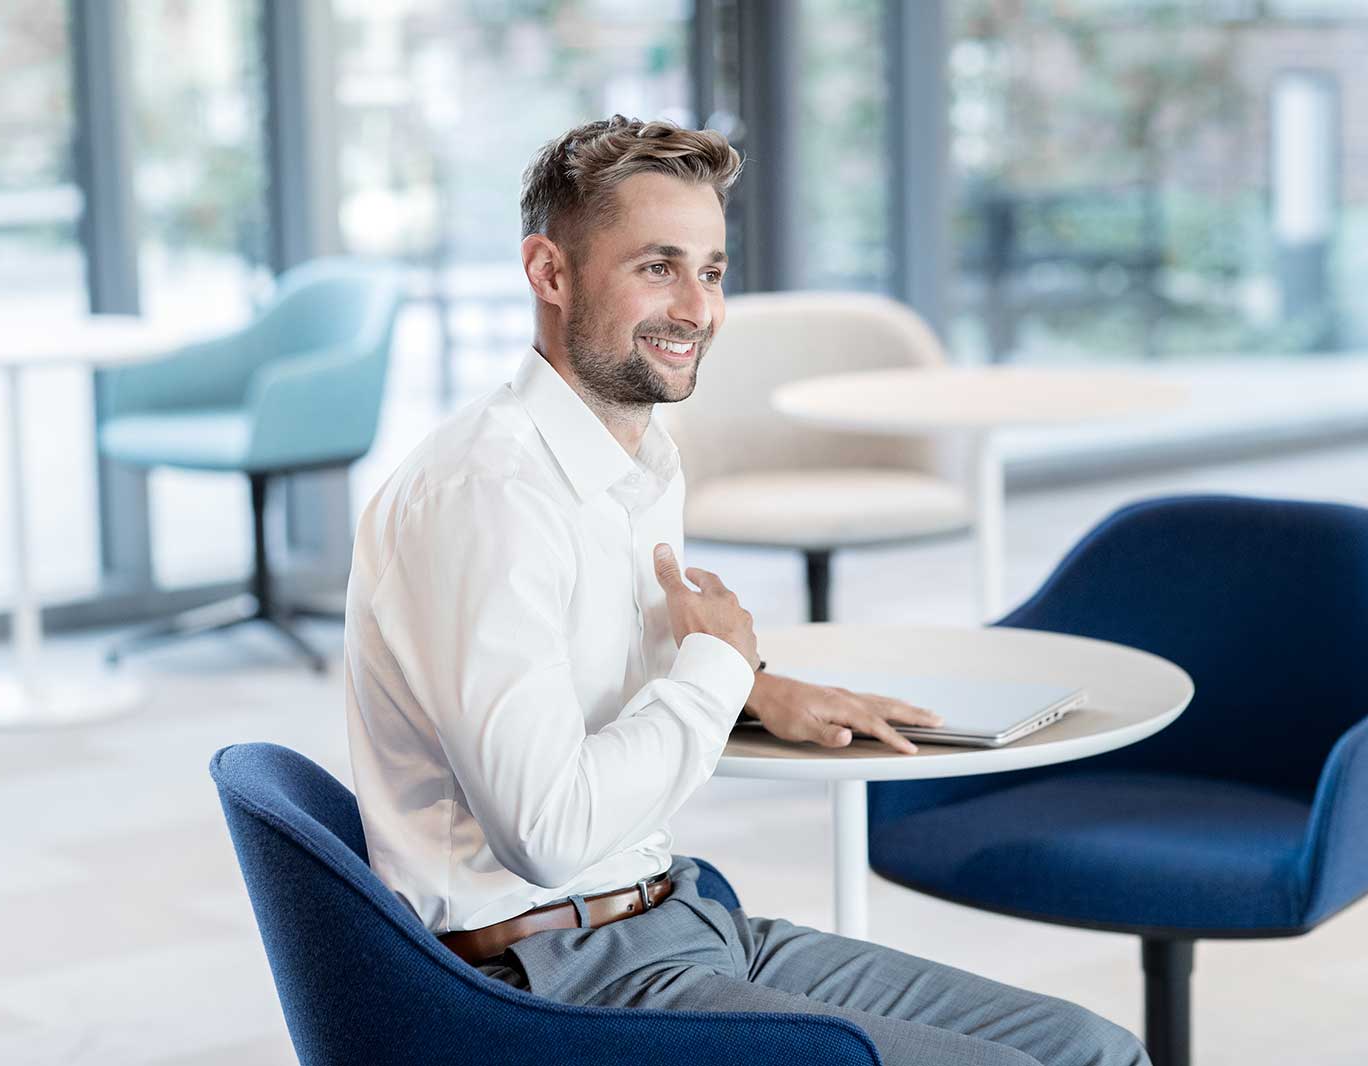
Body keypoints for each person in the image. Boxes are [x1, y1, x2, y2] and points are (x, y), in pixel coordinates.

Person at [344, 114, 1149, 1066]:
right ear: (549, 273)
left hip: (676, 917)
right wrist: (716, 669)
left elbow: (594, 687)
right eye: (657, 266)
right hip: (552, 980)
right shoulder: (488, 497)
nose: (698, 309)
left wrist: (752, 687)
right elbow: (546, 832)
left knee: (1090, 1050)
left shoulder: (637, 458)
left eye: (713, 270)